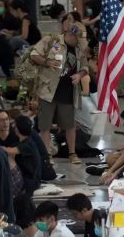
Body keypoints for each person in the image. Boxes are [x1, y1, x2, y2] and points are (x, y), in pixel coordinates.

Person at [30, 23, 84, 164]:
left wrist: (79, 75)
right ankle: (47, 155)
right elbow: (34, 54)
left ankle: (72, 153)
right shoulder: (52, 41)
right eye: (77, 39)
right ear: (71, 34)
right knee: (45, 125)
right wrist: (47, 62)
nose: (79, 42)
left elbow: (84, 67)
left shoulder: (79, 48)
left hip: (67, 91)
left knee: (69, 124)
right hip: (48, 90)